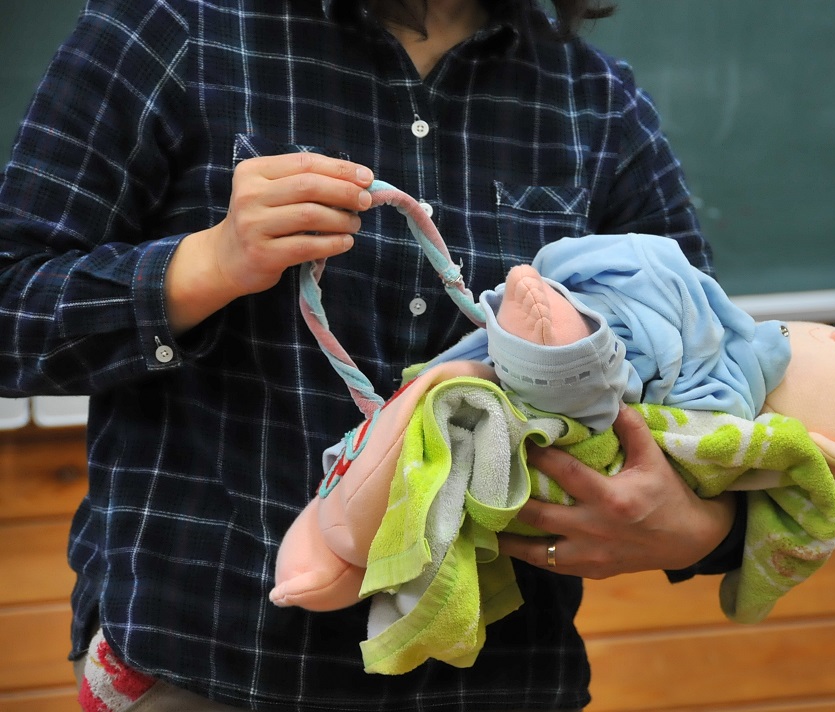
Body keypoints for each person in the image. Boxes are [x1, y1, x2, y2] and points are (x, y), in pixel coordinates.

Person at [0, 1, 743, 709]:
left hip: (498, 678)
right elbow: (13, 309)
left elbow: (713, 366)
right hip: (207, 667)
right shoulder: (175, 28)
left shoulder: (594, 99)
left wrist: (703, 530)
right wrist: (210, 263)